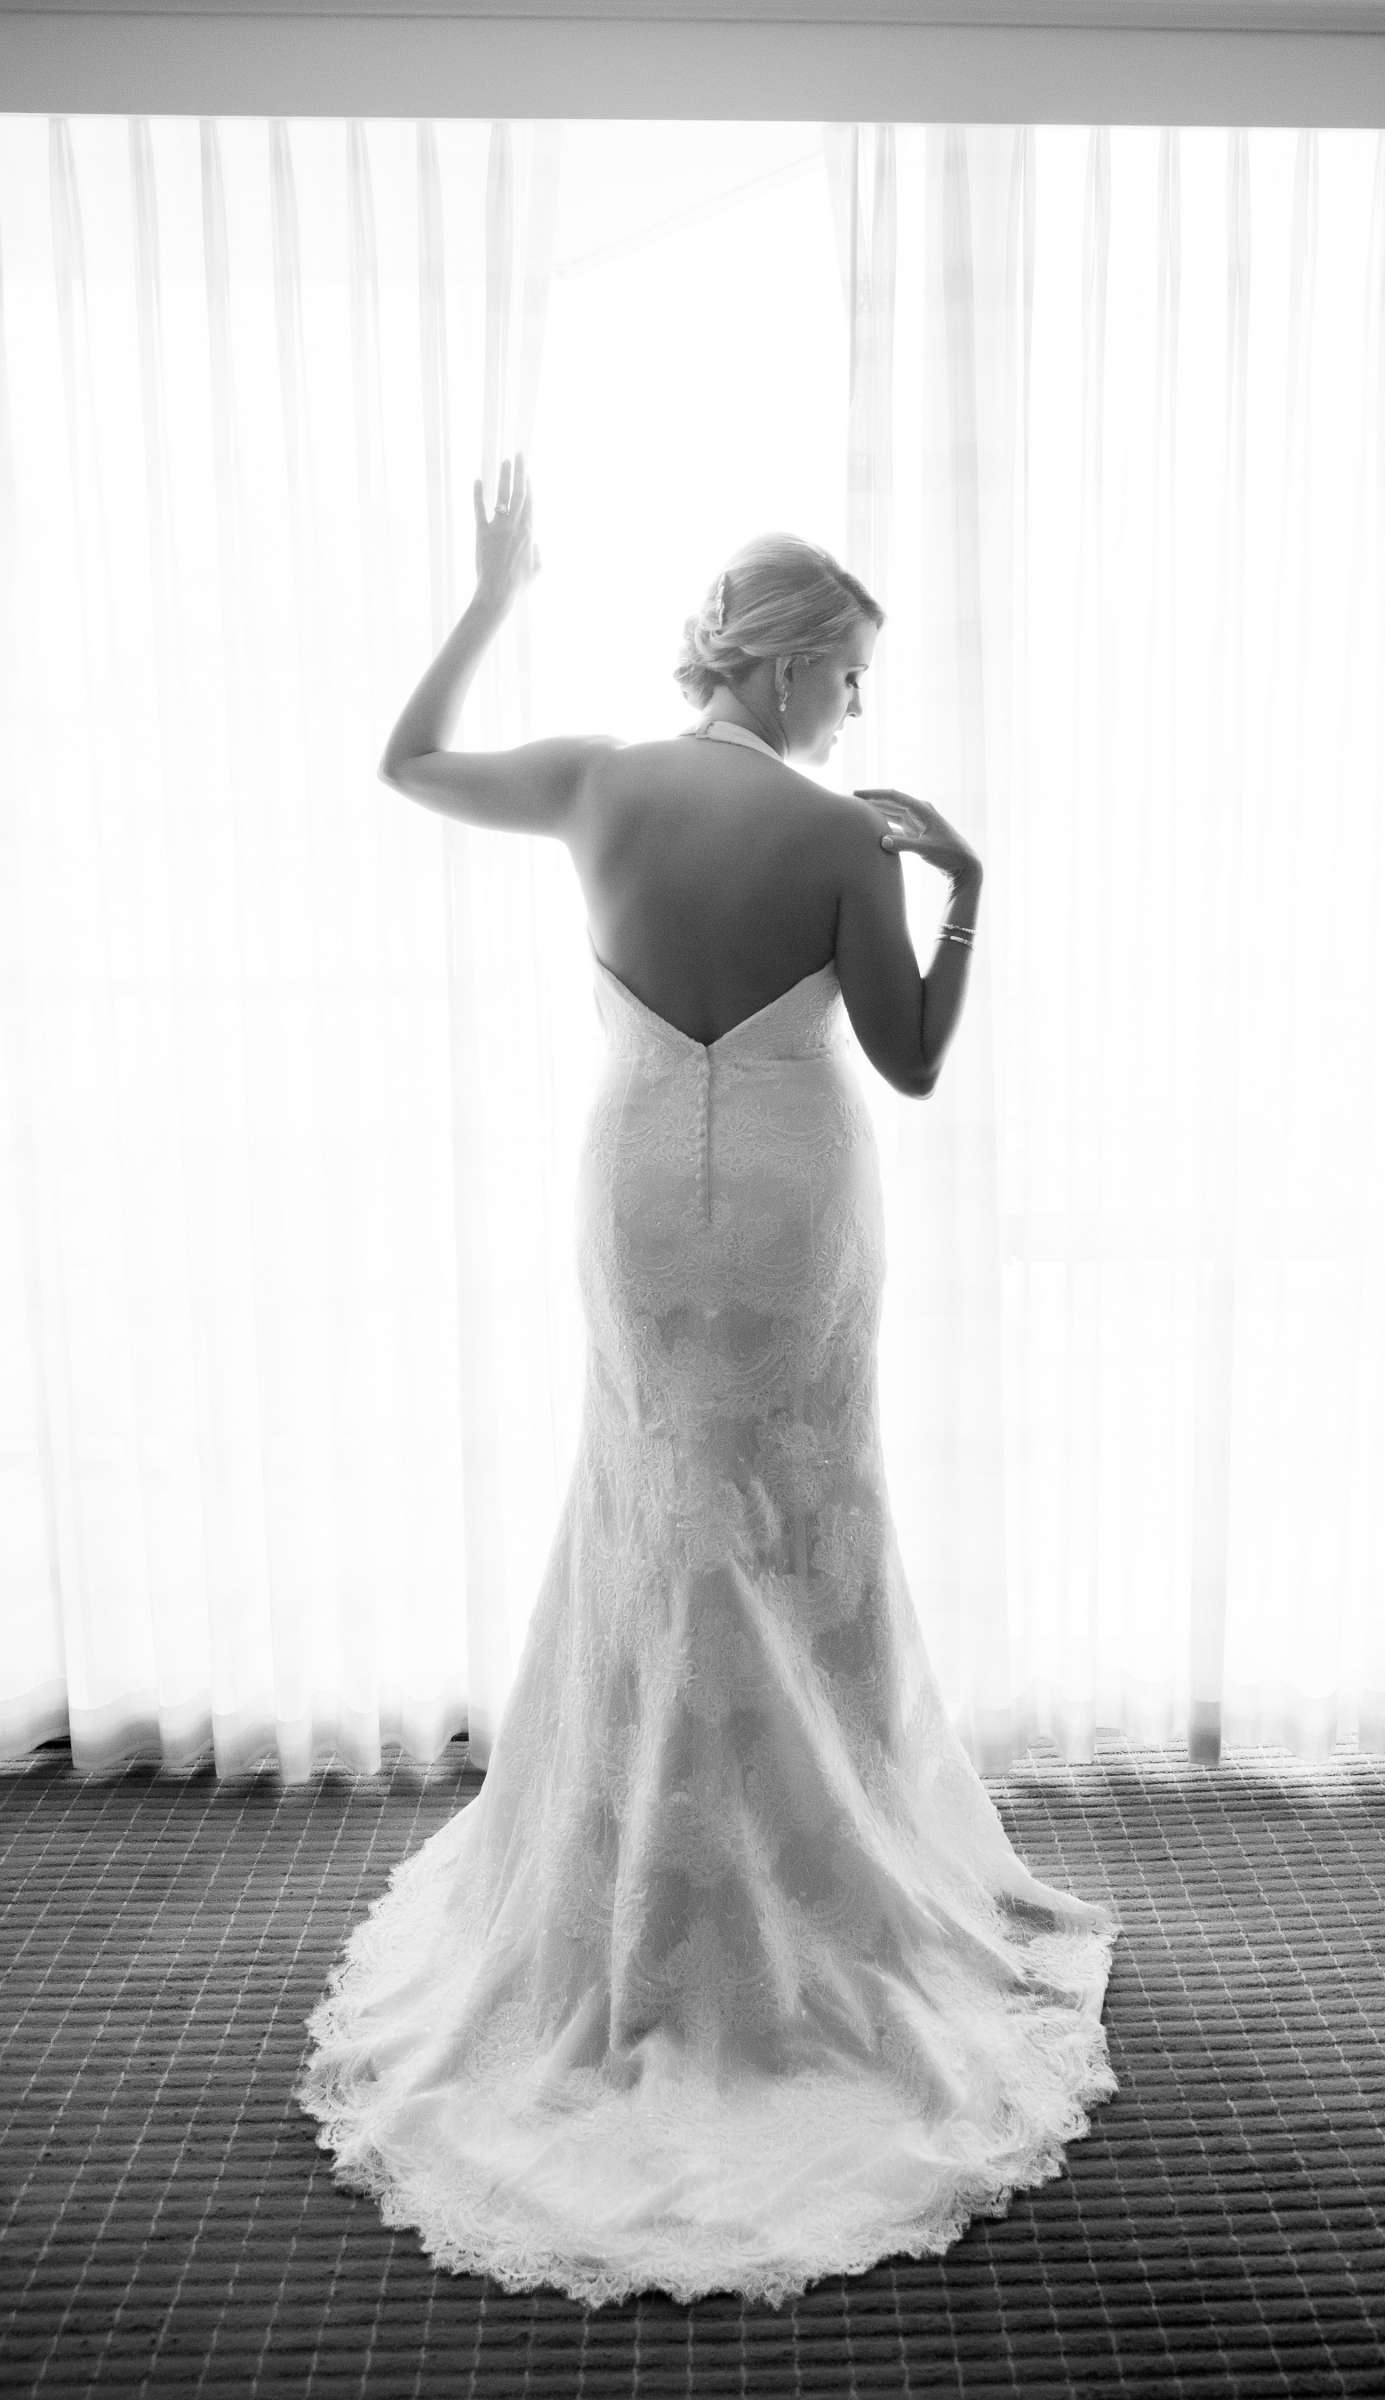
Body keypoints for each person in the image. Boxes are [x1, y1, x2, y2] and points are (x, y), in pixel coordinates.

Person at [294, 453, 1121, 2310]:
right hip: (798, 1206)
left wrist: (495, 596)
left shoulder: (594, 781)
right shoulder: (843, 841)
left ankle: (632, 1901)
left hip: (636, 1204)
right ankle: (797, 1896)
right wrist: (962, 886)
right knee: (798, 1524)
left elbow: (409, 765)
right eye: (849, 679)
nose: (855, 715)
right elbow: (905, 1064)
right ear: (786, 664)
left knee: (655, 1512)